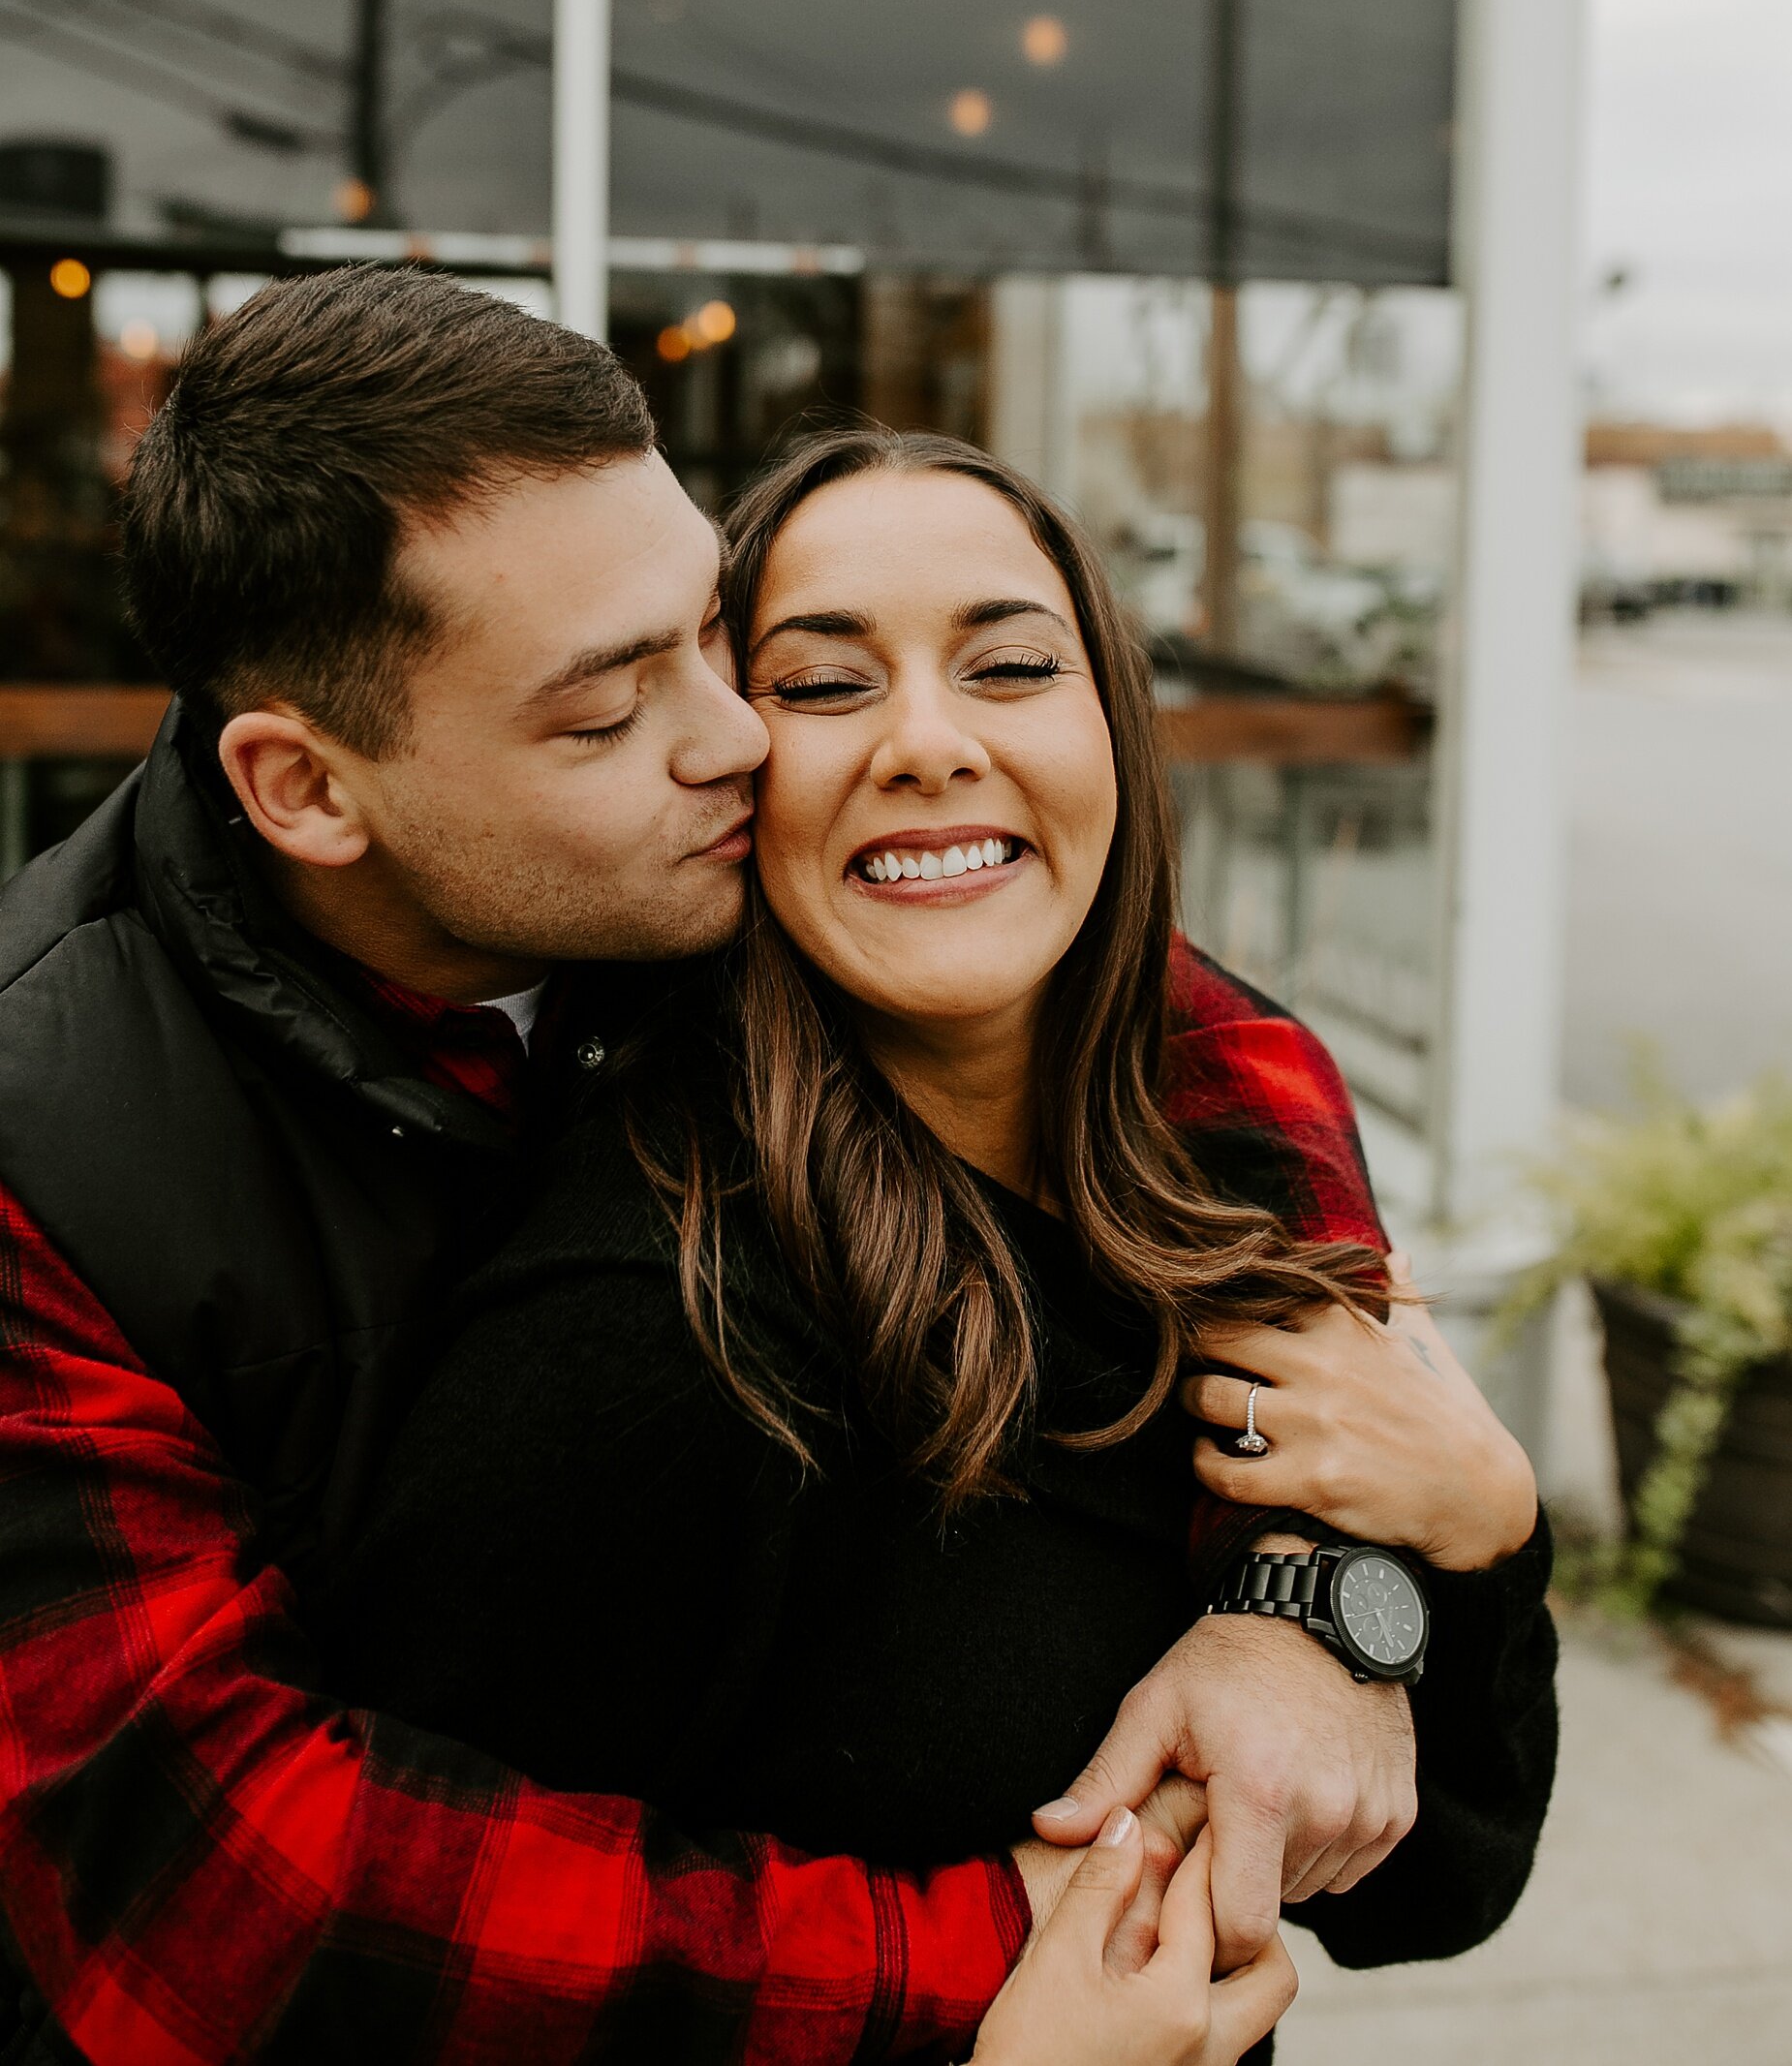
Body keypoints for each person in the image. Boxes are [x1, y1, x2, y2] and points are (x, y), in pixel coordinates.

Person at [0, 273, 1448, 2065]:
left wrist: (1298, 1584)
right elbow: (215, 1891)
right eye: (606, 710)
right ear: (305, 789)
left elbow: (1147, 1015)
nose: (742, 735)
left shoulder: (679, 858)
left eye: (714, 633)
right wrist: (994, 1947)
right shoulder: (42, 1156)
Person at [308, 424, 1560, 2059]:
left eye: (1011, 665)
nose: (926, 743)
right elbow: (409, 1994)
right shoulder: (644, 1332)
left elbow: (1426, 1884)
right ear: (726, 771)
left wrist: (1454, 1545)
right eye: (823, 686)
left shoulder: (1223, 1168)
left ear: (1109, 725)